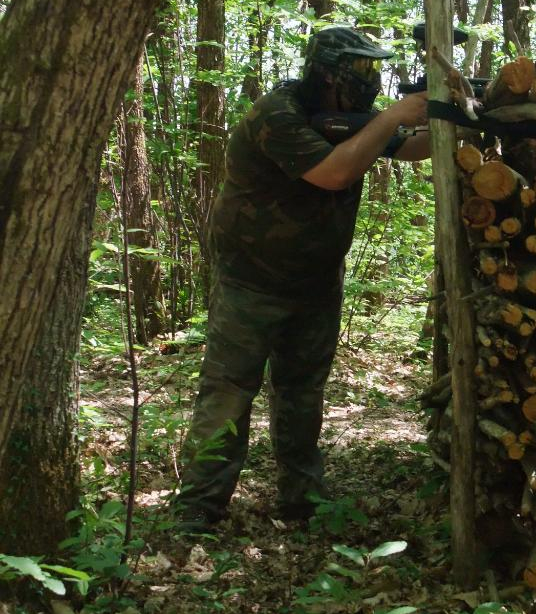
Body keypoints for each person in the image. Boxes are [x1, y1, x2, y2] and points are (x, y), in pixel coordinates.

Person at [173, 26, 430, 530]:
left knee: (302, 393)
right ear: (330, 75)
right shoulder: (277, 114)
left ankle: (301, 501)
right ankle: (198, 508)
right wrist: (395, 116)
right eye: (360, 71)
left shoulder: (353, 120)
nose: (371, 81)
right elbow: (335, 172)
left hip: (315, 283)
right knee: (229, 390)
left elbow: (410, 149)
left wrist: (451, 119)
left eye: (373, 70)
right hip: (252, 281)